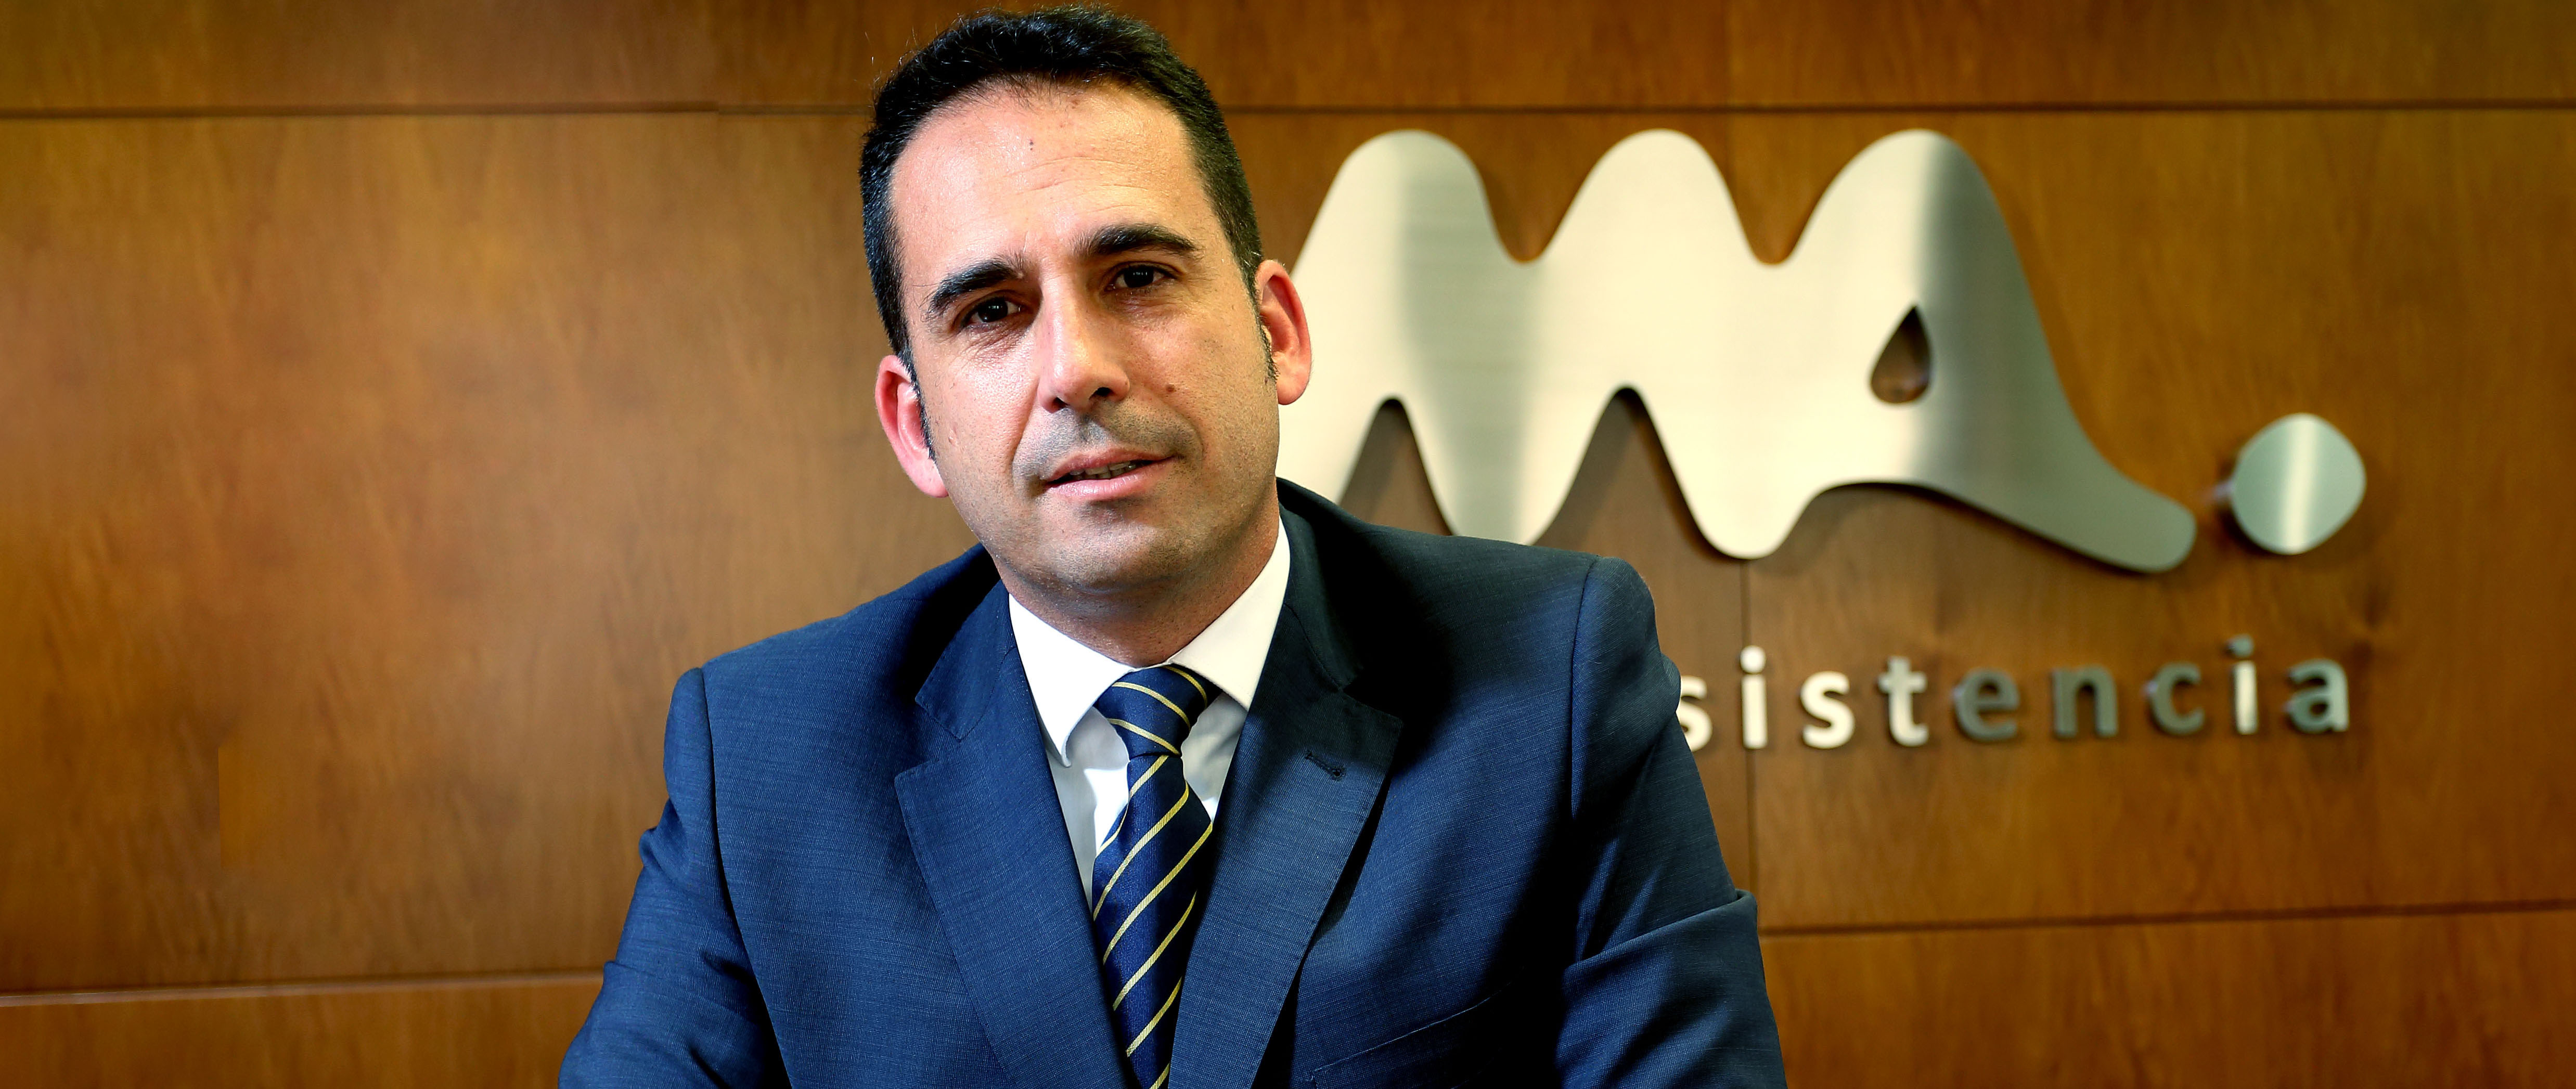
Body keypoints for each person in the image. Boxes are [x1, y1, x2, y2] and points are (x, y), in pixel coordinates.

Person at [561, 7, 1782, 1087]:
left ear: (1276, 333)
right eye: (992, 312)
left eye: (1138, 277)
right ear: (915, 424)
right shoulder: (762, 761)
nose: (1077, 369)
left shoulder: (1551, 679)